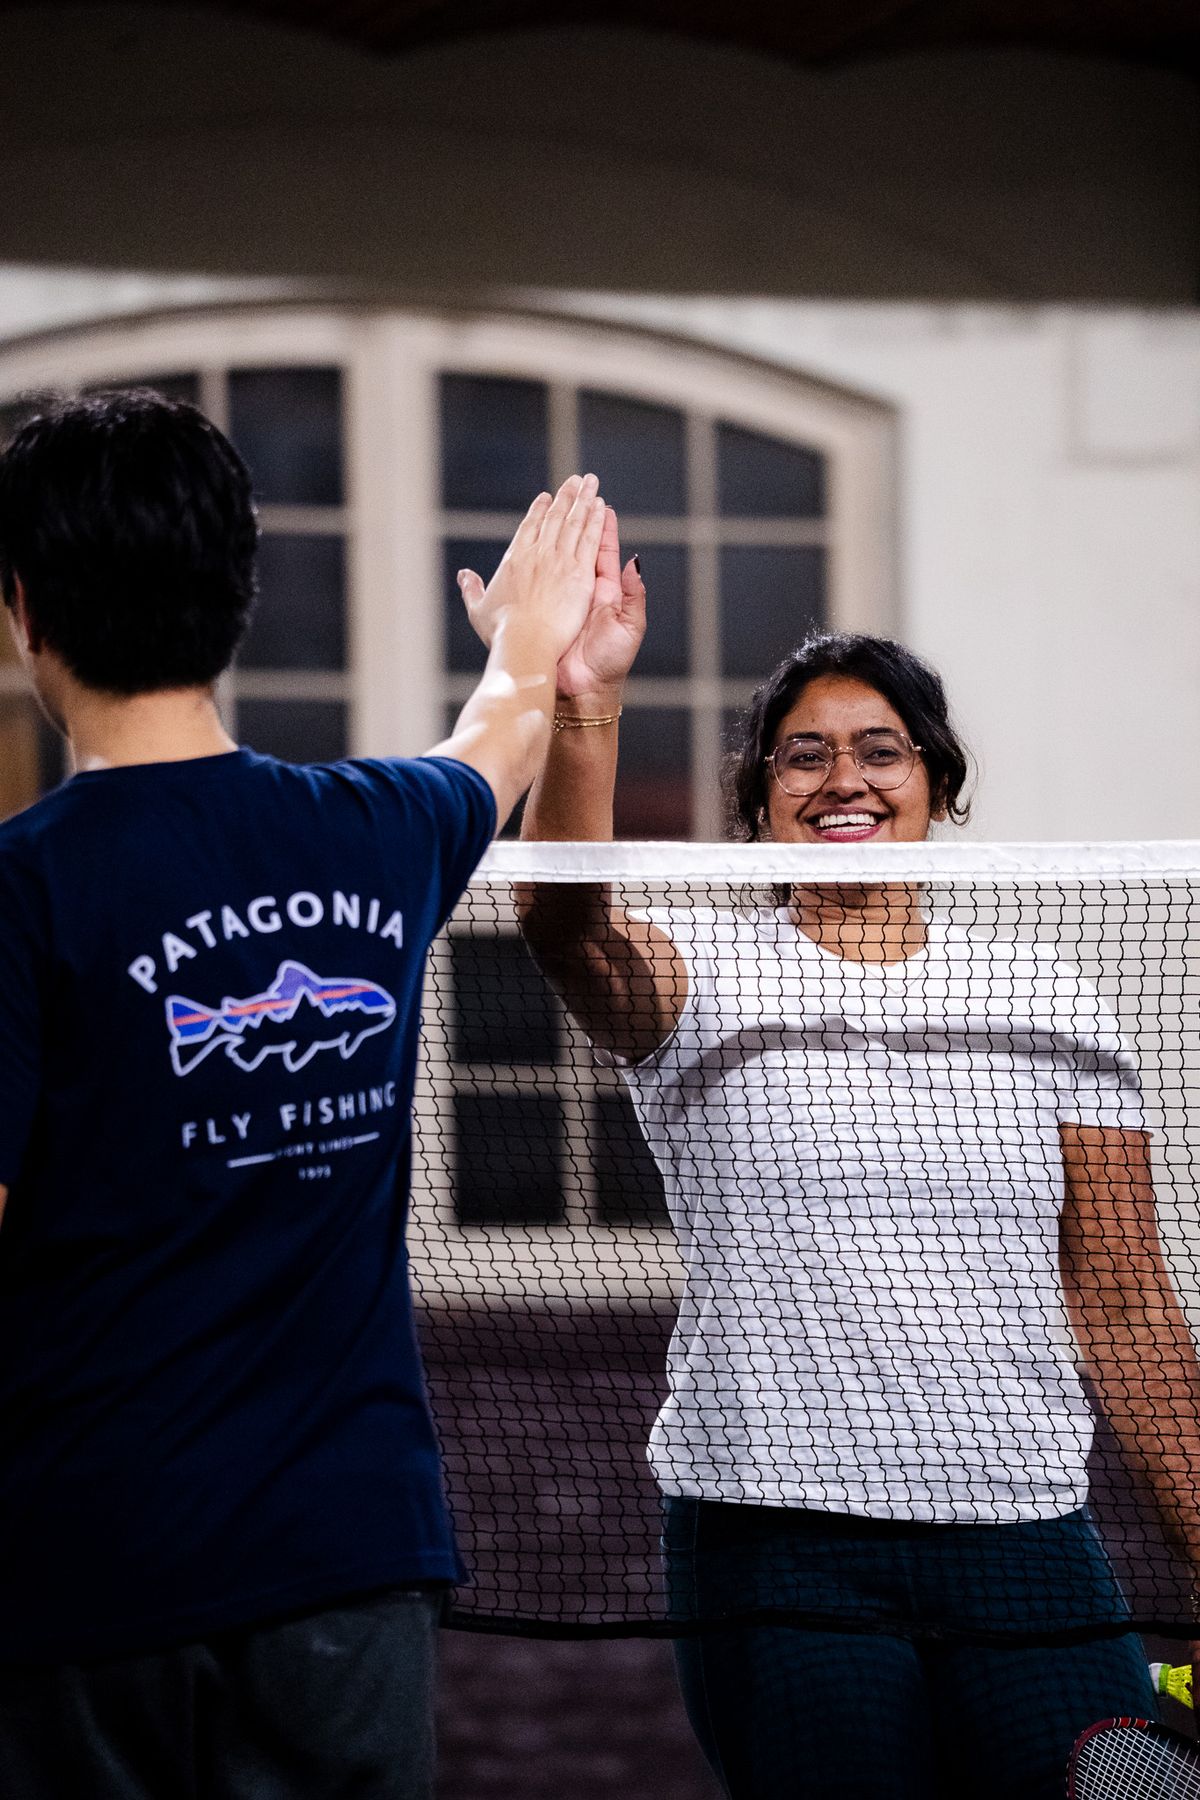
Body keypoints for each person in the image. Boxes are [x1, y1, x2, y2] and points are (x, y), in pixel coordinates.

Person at [490, 509, 1200, 1799]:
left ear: (939, 781)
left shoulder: (1058, 999)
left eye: (882, 750)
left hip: (1026, 1536)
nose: (844, 780)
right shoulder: (707, 978)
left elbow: (1127, 1301)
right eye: (801, 756)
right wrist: (581, 702)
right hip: (777, 1544)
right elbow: (561, 920)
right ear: (759, 803)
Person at [0, 387, 607, 1799]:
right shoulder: (381, 830)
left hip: (88, 1564)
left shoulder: (22, 891)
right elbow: (503, 739)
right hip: (348, 1561)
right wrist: (532, 630)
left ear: (26, 610)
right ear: (239, 596)